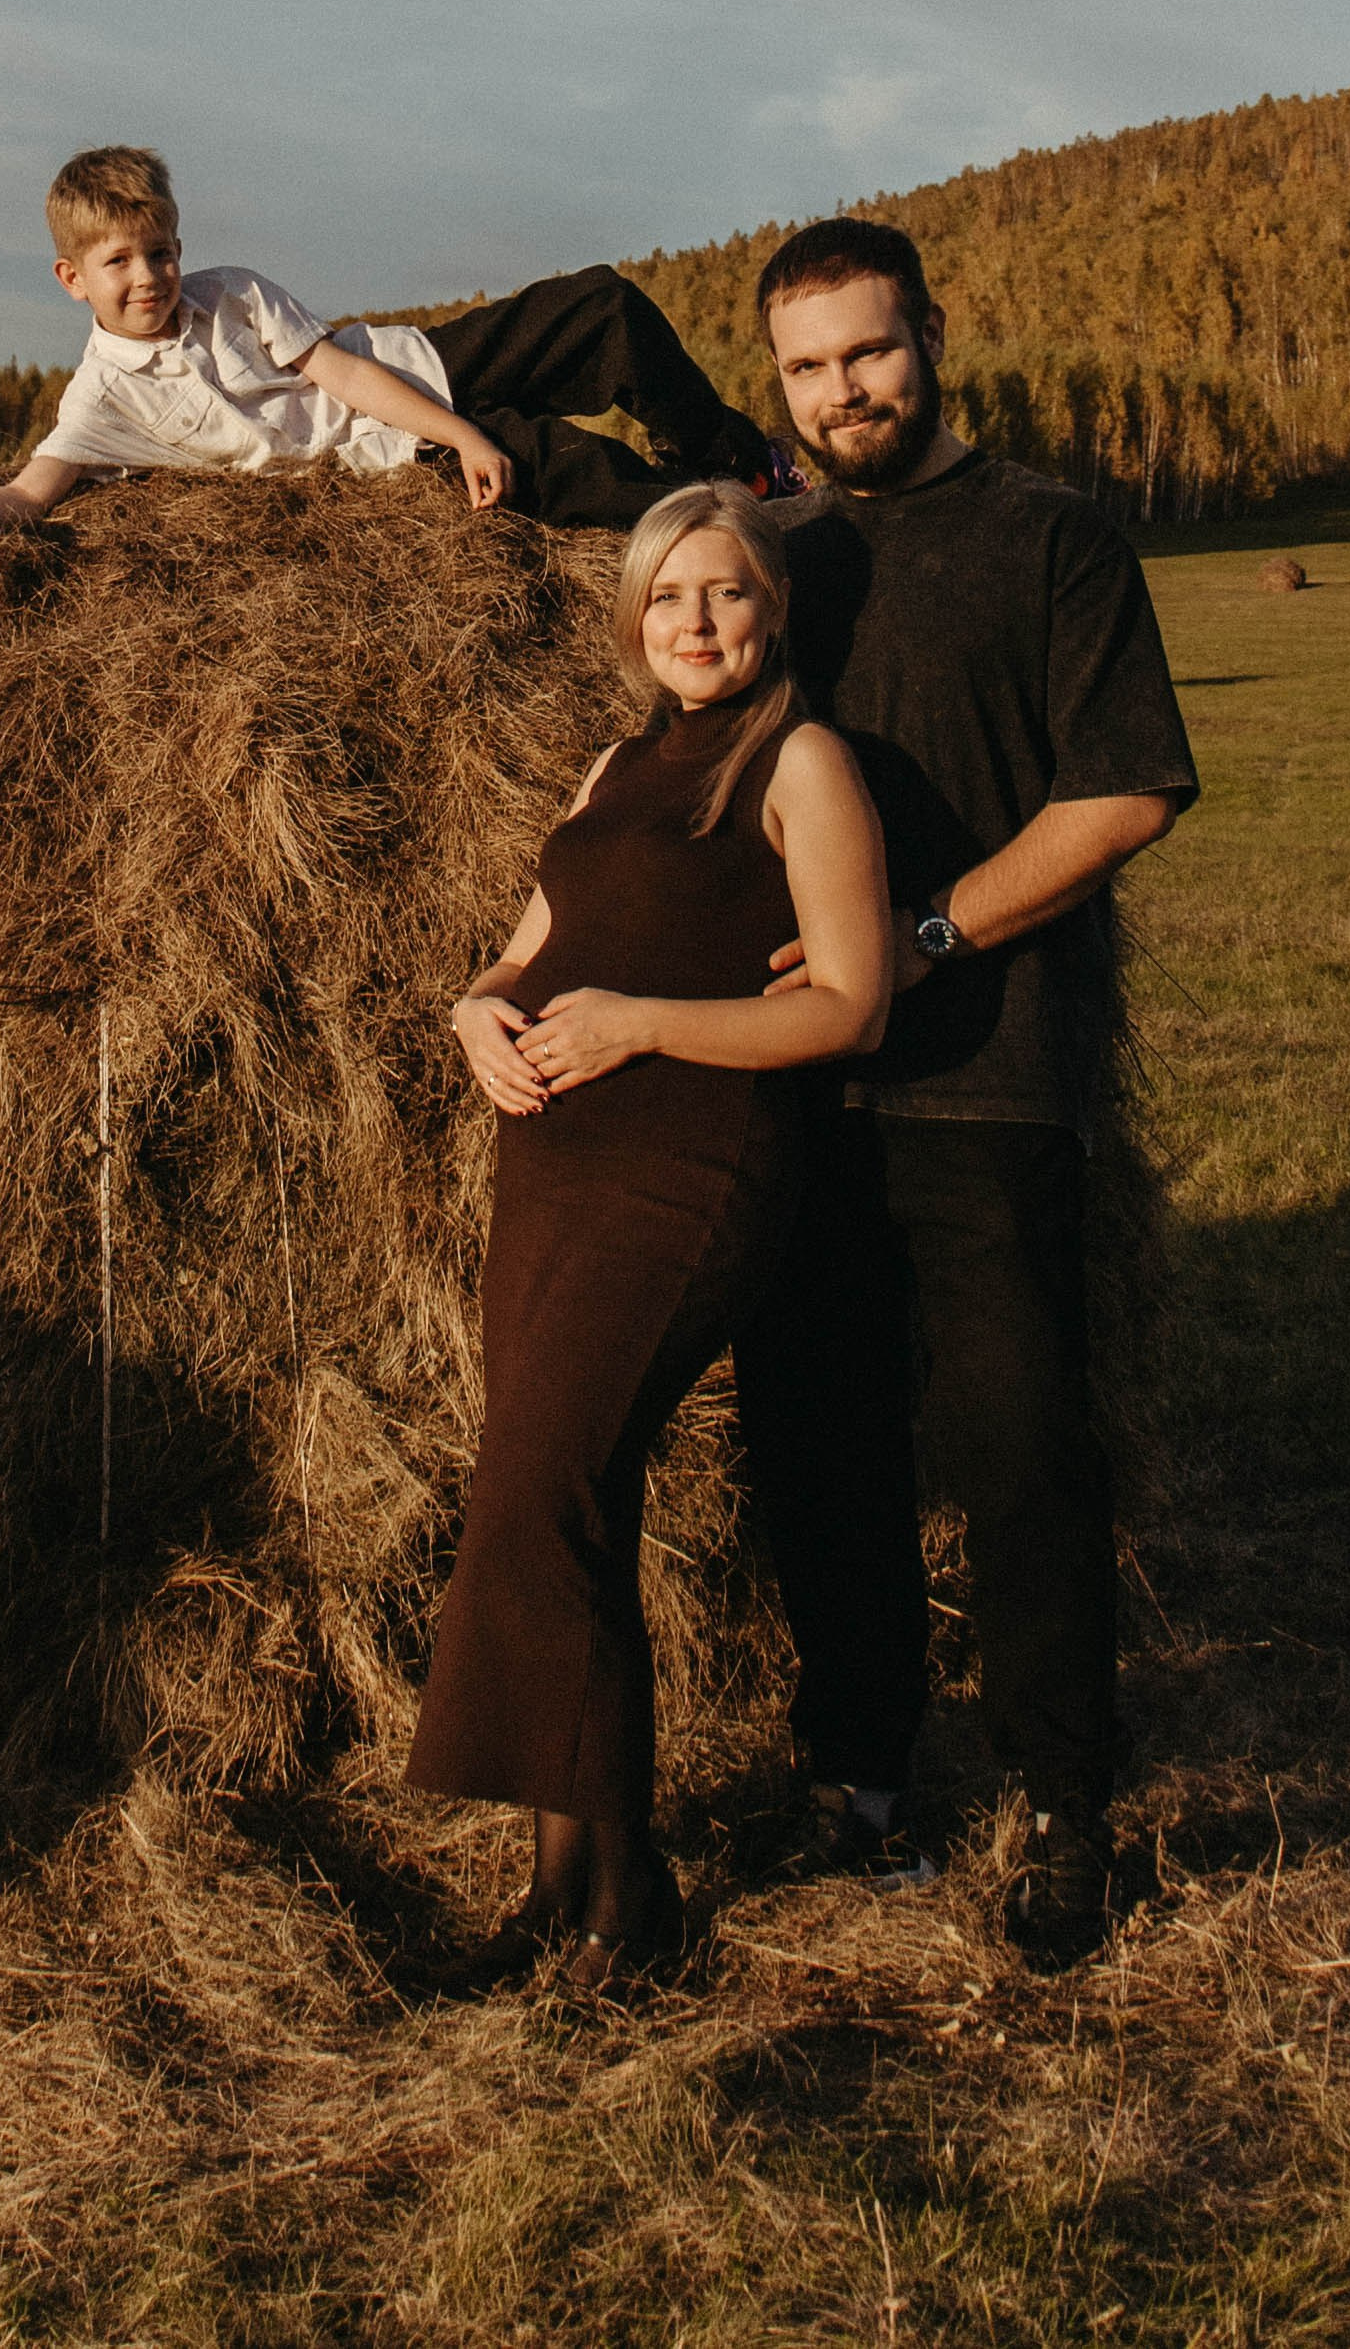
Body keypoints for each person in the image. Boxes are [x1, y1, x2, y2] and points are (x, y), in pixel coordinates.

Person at [732, 216, 1201, 1969]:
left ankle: (1056, 1809)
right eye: (803, 368)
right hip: (794, 1092)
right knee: (819, 1450)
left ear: (928, 333)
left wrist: (922, 936)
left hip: (987, 1074)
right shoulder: (765, 554)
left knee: (1017, 1453)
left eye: (865, 351)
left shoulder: (1052, 534)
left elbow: (1121, 796)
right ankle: (856, 1772)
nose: (841, 390)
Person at [408, 483, 892, 1992]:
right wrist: (476, 1005)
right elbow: (531, 947)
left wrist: (635, 1030)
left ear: (772, 611)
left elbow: (845, 1004)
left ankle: (632, 1893)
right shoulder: (613, 765)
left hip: (691, 1167)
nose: (695, 622)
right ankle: (563, 1880)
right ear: (633, 618)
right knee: (562, 1498)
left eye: (726, 593)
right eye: (668, 596)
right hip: (550, 1159)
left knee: (541, 1482)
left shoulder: (801, 764)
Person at [0, 146, 780, 545]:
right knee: (569, 467)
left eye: (160, 252)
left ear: (180, 248)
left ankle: (736, 463)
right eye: (119, 262)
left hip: (412, 373)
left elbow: (344, 372)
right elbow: (29, 491)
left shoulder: (231, 293)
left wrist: (462, 427)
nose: (148, 276)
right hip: (385, 466)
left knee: (601, 308)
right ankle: (740, 529)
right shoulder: (101, 398)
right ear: (72, 278)